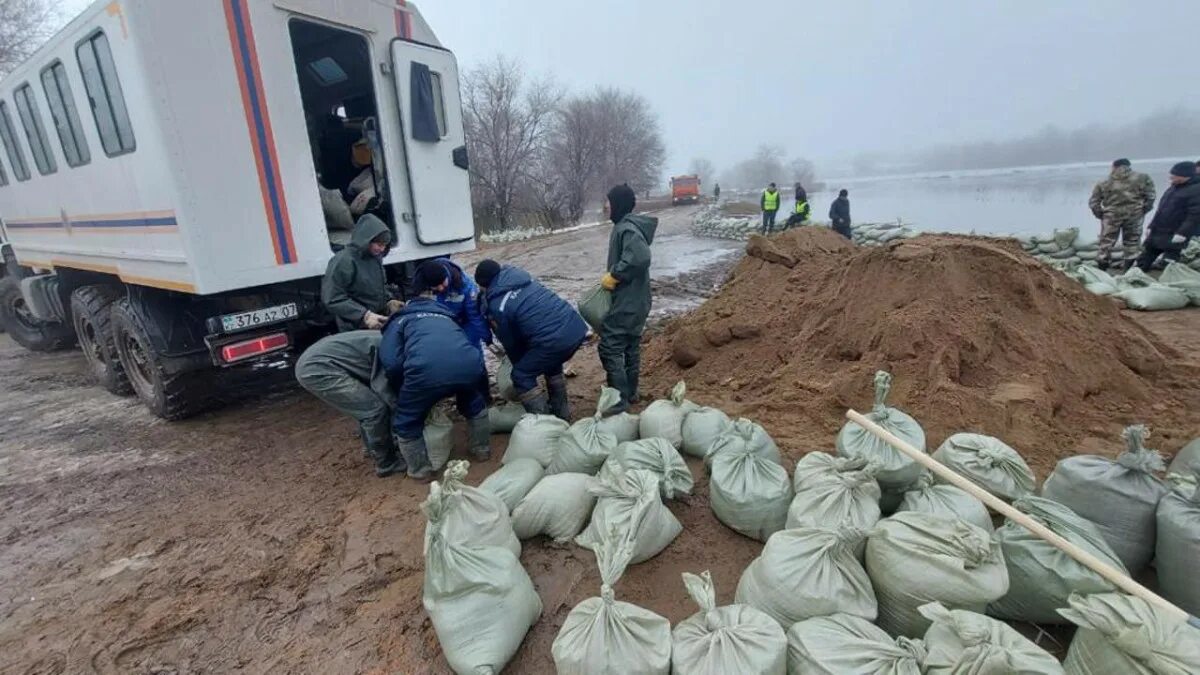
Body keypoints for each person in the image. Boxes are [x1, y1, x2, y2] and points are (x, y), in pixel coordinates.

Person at [379, 293, 489, 477]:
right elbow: (461, 343)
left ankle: (420, 471)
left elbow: (391, 362)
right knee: (473, 403)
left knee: (406, 421)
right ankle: (482, 449)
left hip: (425, 371)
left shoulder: (398, 322)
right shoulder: (446, 317)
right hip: (468, 364)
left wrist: (404, 387)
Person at [474, 260, 588, 419]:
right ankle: (562, 415)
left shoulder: (497, 305)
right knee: (551, 362)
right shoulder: (524, 280)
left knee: (521, 375)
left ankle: (544, 424)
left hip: (555, 341)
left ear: (483, 285)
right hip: (576, 328)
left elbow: (512, 344)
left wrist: (518, 363)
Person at [295, 331, 404, 477]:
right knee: (374, 410)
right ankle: (387, 463)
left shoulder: (397, 340)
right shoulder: (395, 352)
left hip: (321, 358)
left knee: (368, 406)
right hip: (318, 368)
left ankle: (373, 449)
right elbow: (385, 390)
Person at [598, 184, 657, 413]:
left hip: (628, 302)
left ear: (618, 204)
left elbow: (640, 257)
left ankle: (619, 400)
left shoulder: (626, 229)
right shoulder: (628, 226)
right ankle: (631, 393)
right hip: (638, 301)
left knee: (610, 347)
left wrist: (615, 274)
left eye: (608, 202)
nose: (605, 206)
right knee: (631, 345)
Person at [321, 214, 396, 331]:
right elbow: (332, 298)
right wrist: (364, 316)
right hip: (353, 326)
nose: (382, 249)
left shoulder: (374, 258)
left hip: (376, 321)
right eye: (379, 244)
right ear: (366, 239)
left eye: (385, 245)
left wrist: (389, 301)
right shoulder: (344, 261)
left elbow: (377, 288)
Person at [1089, 158, 1156, 270]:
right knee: (1132, 242)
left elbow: (1094, 202)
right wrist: (1143, 210)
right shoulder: (1143, 178)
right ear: (1129, 166)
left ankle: (1102, 269)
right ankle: (1128, 270)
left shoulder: (1104, 181)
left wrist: (1101, 215)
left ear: (1114, 166)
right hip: (1134, 215)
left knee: (1106, 243)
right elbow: (1151, 197)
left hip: (1111, 216)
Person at [1136, 161, 1200, 272]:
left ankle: (1168, 281)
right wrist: (1151, 226)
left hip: (1176, 232)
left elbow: (1194, 215)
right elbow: (1161, 209)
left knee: (1169, 262)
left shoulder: (1196, 190)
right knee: (1145, 257)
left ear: (1185, 175)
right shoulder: (1173, 188)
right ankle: (1138, 273)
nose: (1171, 177)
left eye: (1174, 175)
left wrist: (1182, 233)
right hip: (1159, 230)